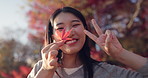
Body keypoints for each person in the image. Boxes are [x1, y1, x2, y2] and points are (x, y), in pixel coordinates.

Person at [27, 7, 148, 78]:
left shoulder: (106, 72)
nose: (69, 32)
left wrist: (120, 54)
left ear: (85, 30)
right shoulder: (40, 69)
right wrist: (46, 72)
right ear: (52, 36)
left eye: (75, 25)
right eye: (60, 28)